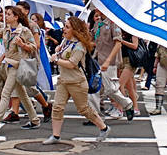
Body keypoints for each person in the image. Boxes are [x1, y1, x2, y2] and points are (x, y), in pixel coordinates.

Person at [43, 16, 110, 145]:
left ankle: (104, 128)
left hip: (77, 82)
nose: (64, 29)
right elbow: (62, 54)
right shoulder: (66, 41)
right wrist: (58, 52)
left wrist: (56, 60)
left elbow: (72, 63)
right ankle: (55, 136)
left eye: (67, 27)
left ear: (75, 30)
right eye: (65, 26)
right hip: (63, 81)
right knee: (57, 107)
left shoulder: (79, 46)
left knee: (84, 109)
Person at [0, 5, 41, 133]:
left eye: (9, 14)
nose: (6, 16)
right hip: (9, 64)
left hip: (18, 66)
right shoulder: (6, 30)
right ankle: (35, 119)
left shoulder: (24, 31)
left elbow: (34, 47)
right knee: (22, 94)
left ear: (16, 17)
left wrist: (23, 45)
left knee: (6, 93)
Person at [88, 9, 135, 121]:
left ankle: (128, 104)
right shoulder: (98, 23)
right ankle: (95, 116)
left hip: (109, 61)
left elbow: (118, 44)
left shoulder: (113, 23)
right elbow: (94, 40)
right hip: (97, 60)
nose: (97, 9)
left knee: (111, 89)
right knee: (94, 88)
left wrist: (108, 61)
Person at [119, 29, 141, 115]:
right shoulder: (119, 32)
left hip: (130, 61)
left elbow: (135, 46)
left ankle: (123, 107)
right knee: (129, 87)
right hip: (121, 60)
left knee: (120, 84)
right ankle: (135, 107)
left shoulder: (133, 32)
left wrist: (122, 41)